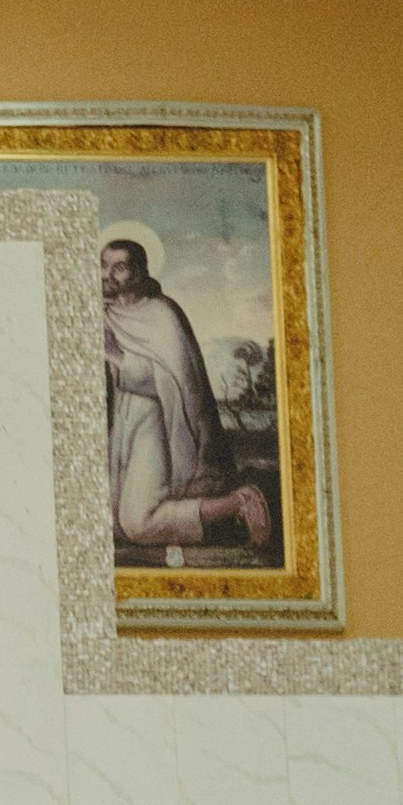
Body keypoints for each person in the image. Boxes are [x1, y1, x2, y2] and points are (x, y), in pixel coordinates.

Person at [100, 220, 274, 561]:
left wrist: (115, 355)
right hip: (118, 423)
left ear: (139, 272)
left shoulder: (161, 314)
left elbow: (171, 379)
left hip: (156, 421)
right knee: (115, 522)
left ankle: (239, 501)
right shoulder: (106, 313)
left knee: (137, 524)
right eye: (104, 265)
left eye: (119, 268)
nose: (107, 275)